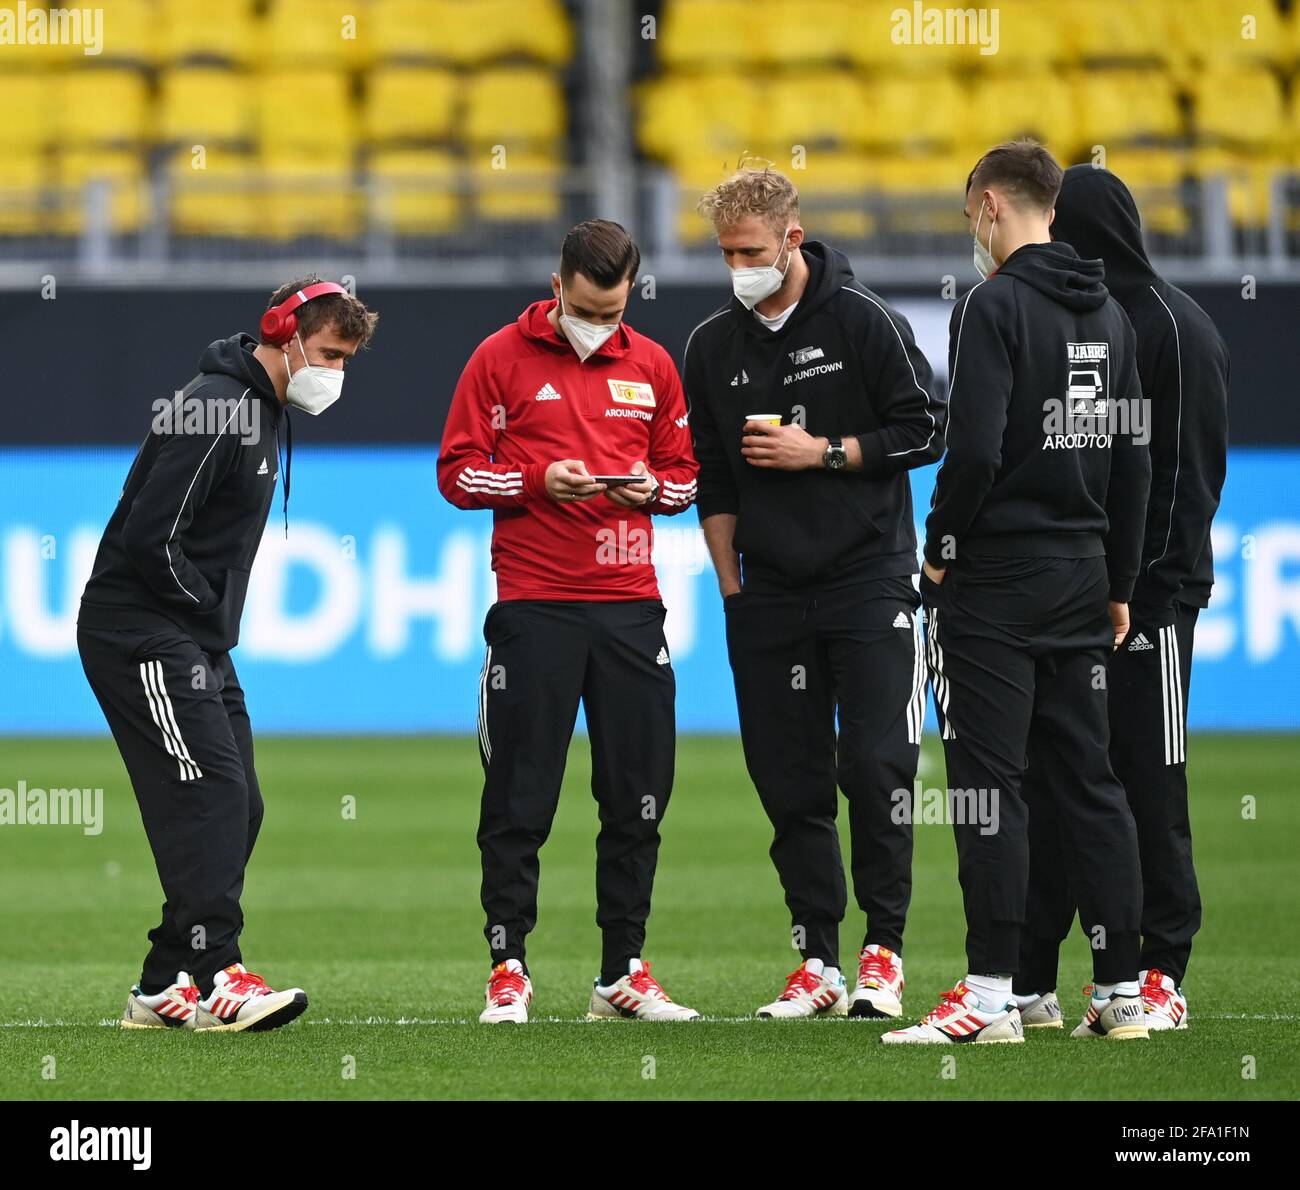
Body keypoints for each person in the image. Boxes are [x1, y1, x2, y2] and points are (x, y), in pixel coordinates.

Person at [883, 141, 1152, 1044]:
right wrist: (1119, 581)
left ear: (993, 205)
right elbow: (1131, 460)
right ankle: (1121, 992)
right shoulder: (1109, 313)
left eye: (970, 218)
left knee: (987, 787)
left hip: (995, 583)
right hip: (1082, 578)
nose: (973, 234)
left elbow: (977, 449)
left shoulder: (994, 306)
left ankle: (991, 995)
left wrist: (938, 554)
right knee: (1091, 783)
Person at [78, 277, 378, 1032]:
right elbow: (152, 537)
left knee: (240, 803)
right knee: (207, 794)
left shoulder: (257, 410)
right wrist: (204, 607)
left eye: (347, 359)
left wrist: (206, 623)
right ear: (284, 333)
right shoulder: (219, 408)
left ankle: (160, 982)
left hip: (190, 636)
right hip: (139, 629)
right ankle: (220, 974)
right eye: (330, 353)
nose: (335, 373)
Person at [686, 165, 944, 1020]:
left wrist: (825, 453)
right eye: (725, 252)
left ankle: (884, 952)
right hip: (766, 596)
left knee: (876, 766)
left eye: (750, 250)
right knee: (788, 784)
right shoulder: (710, 346)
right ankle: (818, 962)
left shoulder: (864, 320)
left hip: (866, 581)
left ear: (792, 239)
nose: (737, 266)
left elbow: (927, 427)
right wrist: (730, 583)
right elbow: (712, 477)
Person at [437, 219, 701, 1024]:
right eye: (588, 309)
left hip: (630, 606)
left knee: (637, 796)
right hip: (535, 605)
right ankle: (508, 966)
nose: (601, 325)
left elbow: (686, 478)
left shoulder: (652, 363)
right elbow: (457, 474)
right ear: (558, 289)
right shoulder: (498, 357)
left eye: (614, 312)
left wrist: (645, 491)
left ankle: (622, 972)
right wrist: (536, 480)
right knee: (520, 798)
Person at [1014, 166, 1230, 1033]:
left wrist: (1144, 593)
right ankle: (1041, 976)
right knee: (1066, 787)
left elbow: (1186, 477)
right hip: (1081, 602)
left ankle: (1160, 972)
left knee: (1152, 784)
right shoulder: (1087, 319)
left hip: (1152, 606)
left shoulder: (1174, 327)